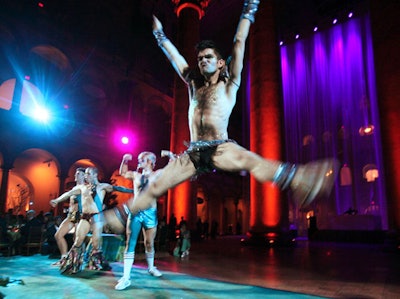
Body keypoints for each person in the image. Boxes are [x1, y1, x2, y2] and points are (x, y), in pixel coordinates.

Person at [101, 0, 338, 236]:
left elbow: (239, 41)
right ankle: (120, 217)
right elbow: (176, 59)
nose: (203, 60)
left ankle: (299, 178)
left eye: (209, 57)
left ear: (220, 62)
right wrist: (160, 35)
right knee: (155, 186)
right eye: (201, 58)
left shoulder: (229, 83)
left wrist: (249, 9)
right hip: (193, 153)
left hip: (219, 147)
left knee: (251, 160)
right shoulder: (194, 84)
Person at [51, 167, 128, 274]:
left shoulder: (102, 186)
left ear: (95, 175)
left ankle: (96, 263)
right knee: (78, 241)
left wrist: (135, 191)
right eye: (85, 174)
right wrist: (57, 200)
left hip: (96, 217)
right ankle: (73, 264)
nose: (86, 176)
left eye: (88, 174)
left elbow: (118, 188)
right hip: (84, 217)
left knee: (96, 243)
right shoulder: (82, 187)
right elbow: (68, 194)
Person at [115, 152, 162, 291]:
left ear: (151, 161)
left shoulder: (157, 174)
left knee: (149, 242)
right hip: (136, 211)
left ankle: (151, 267)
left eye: (142, 159)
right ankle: (126, 277)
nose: (139, 161)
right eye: (139, 159)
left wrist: (172, 157)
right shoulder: (136, 175)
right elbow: (123, 172)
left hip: (150, 213)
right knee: (130, 242)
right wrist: (124, 160)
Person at [49, 167, 85, 265]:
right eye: (76, 173)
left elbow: (68, 194)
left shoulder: (84, 188)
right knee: (58, 235)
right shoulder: (75, 187)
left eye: (78, 174)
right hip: (71, 215)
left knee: (77, 240)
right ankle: (64, 258)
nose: (75, 175)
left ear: (83, 176)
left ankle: (76, 261)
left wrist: (57, 200)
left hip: (80, 216)